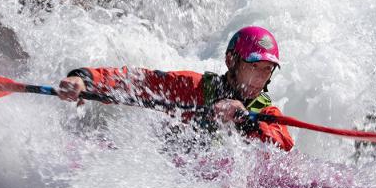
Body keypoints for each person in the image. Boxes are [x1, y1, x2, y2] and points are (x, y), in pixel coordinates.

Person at [57, 26, 294, 151]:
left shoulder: (267, 114)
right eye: (254, 66)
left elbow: (282, 145)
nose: (260, 77)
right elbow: (139, 82)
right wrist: (85, 79)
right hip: (175, 166)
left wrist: (244, 120)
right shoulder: (193, 87)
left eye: (267, 69)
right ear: (231, 61)